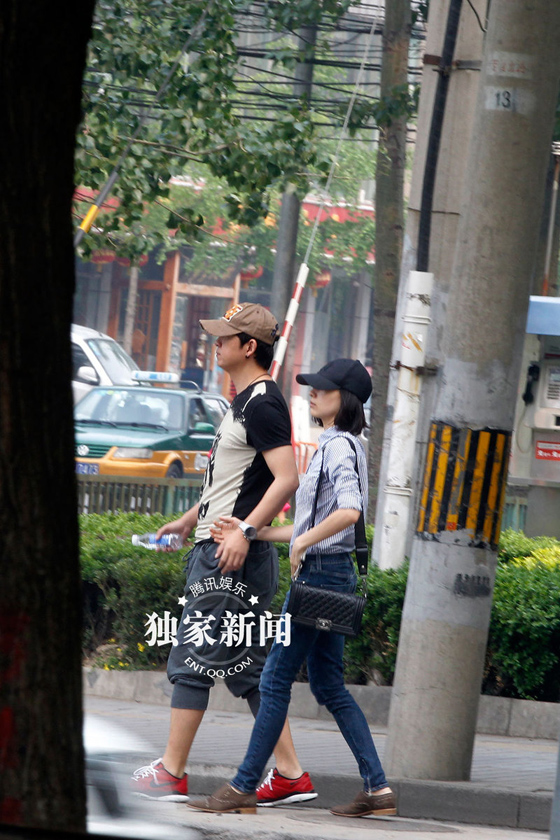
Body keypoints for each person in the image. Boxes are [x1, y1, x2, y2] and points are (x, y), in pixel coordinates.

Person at [188, 358, 397, 818]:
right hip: (332, 572)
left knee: (273, 679)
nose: (312, 394)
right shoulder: (344, 444)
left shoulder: (338, 446)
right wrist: (252, 531)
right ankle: (378, 789)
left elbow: (350, 512)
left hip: (320, 575)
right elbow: (310, 526)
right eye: (312, 387)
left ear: (346, 399)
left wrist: (302, 542)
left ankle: (244, 785)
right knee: (328, 685)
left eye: (323, 389)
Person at [131, 303, 316, 807]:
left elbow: (287, 479)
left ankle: (171, 772)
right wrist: (190, 519)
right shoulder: (244, 402)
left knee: (193, 656)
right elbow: (236, 482)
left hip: (230, 555)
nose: (215, 344)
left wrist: (245, 533)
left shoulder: (263, 404)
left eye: (224, 338)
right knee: (245, 667)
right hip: (226, 548)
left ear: (249, 347)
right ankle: (291, 774)